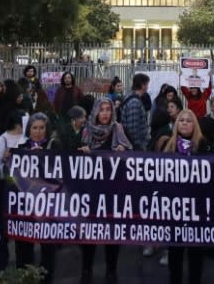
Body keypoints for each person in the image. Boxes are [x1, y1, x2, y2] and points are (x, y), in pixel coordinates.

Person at [78, 99, 131, 284]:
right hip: (89, 191)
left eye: (109, 109)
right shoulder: (86, 130)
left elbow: (133, 157)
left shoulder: (118, 129)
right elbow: (71, 161)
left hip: (113, 191)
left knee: (111, 232)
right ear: (96, 112)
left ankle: (111, 271)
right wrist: (82, 152)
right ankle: (86, 270)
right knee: (88, 233)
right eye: (102, 110)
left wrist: (124, 151)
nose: (106, 113)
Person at [164, 110, 209, 284]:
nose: (184, 123)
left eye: (188, 120)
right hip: (174, 208)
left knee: (195, 253)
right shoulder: (169, 145)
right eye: (181, 120)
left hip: (197, 208)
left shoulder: (203, 145)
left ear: (194, 124)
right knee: (175, 252)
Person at [16, 114, 60, 280]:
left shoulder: (54, 144)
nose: (38, 132)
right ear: (29, 129)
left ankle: (45, 278)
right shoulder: (21, 146)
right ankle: (24, 277)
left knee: (48, 245)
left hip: (48, 204)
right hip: (26, 205)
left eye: (42, 128)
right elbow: (12, 177)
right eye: (35, 128)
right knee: (23, 243)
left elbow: (64, 170)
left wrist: (45, 157)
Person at [0, 110, 27, 275]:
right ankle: (1, 266)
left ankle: (23, 265)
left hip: (24, 191)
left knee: (22, 229)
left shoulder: (26, 139)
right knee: (3, 231)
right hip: (6, 191)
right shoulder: (1, 140)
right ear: (18, 124)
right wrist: (4, 161)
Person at [122, 73, 151, 152]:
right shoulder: (134, 102)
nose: (148, 87)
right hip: (136, 148)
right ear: (142, 85)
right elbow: (133, 129)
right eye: (147, 85)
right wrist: (138, 147)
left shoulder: (132, 98)